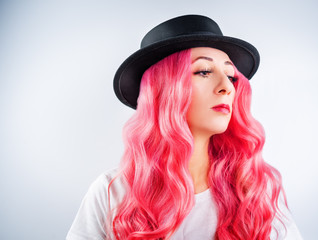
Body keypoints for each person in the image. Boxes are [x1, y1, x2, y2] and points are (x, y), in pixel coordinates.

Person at [66, 15, 303, 240]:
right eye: (204, 71)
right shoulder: (111, 192)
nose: (227, 88)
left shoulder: (255, 189)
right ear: (163, 90)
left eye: (231, 76)